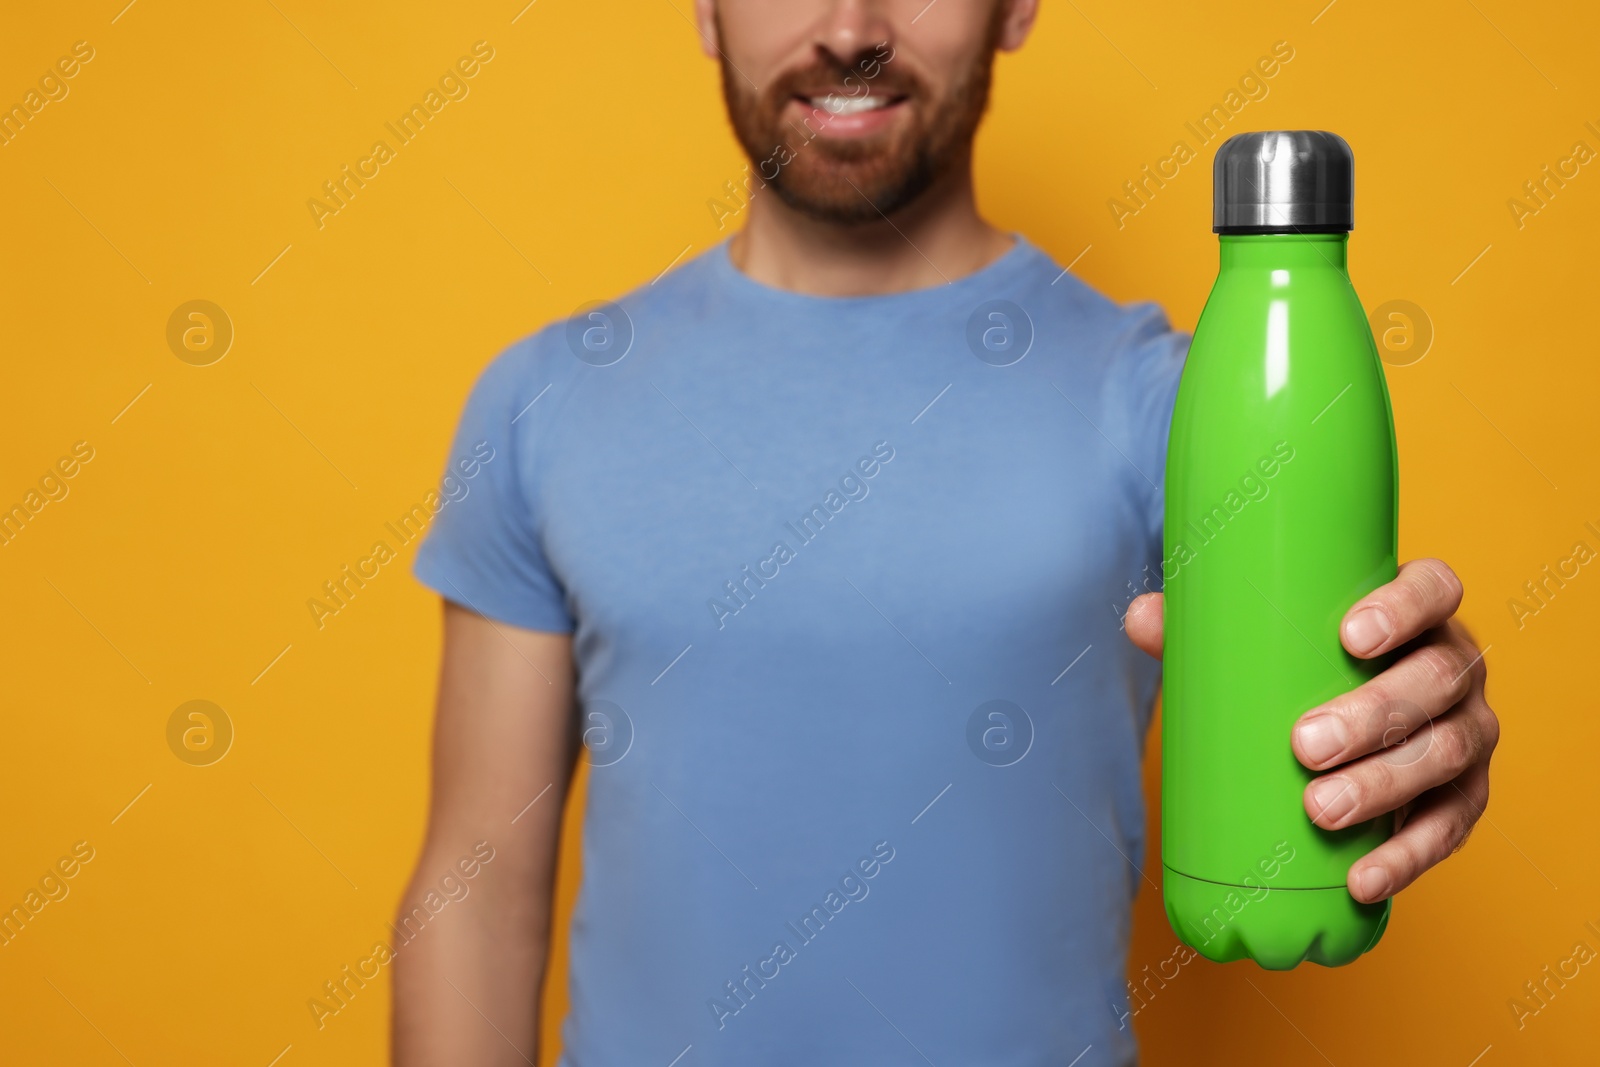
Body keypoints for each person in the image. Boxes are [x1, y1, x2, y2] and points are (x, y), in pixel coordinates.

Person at [390, 2, 1499, 1064]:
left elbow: (1334, 685)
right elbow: (474, 886)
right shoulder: (545, 404)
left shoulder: (1170, 404)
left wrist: (1408, 726)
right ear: (703, 5)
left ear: (1014, 6)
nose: (848, 29)